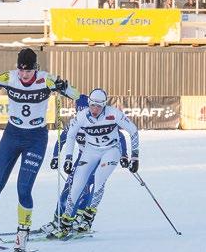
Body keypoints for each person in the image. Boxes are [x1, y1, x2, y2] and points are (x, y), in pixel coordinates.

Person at [0, 48, 79, 252]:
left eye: (29, 71)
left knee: (23, 189)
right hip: (12, 135)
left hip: (35, 138)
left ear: (36, 68)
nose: (25, 75)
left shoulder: (45, 79)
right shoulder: (10, 77)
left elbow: (75, 94)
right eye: (22, 70)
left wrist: (64, 87)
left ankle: (22, 233)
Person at [51, 88, 140, 239]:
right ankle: (66, 223)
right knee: (77, 185)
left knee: (99, 178)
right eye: (92, 105)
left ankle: (87, 218)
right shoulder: (82, 116)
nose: (95, 109)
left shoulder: (113, 113)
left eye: (99, 106)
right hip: (91, 151)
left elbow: (133, 131)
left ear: (104, 105)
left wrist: (134, 157)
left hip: (111, 150)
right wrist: (67, 158)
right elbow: (70, 136)